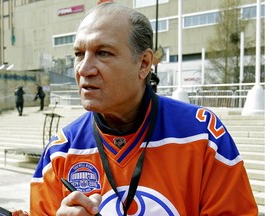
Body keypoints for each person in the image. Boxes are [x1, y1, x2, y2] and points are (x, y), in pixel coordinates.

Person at [30, 2, 258, 216]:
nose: (84, 69)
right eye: (79, 54)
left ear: (144, 63)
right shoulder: (60, 152)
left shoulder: (203, 135)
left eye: (103, 53)